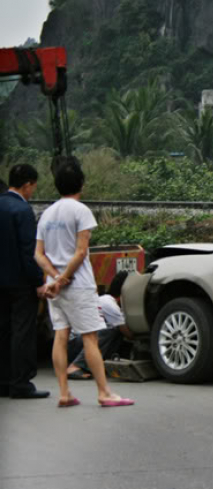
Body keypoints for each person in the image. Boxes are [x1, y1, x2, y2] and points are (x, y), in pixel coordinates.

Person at [35, 163, 134, 407]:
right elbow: (80, 253)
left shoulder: (46, 214)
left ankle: (64, 392)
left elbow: (38, 254)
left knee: (60, 335)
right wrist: (63, 279)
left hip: (54, 287)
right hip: (77, 284)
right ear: (81, 184)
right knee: (91, 338)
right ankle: (104, 393)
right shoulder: (81, 211)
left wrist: (54, 279)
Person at [0, 164, 50, 399]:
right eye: (33, 187)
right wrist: (38, 280)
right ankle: (21, 383)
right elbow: (28, 251)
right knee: (22, 331)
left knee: (3, 329)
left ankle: (3, 381)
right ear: (27, 184)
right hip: (19, 283)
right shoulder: (22, 210)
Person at [66, 270, 134, 380]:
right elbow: (128, 334)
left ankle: (99, 363)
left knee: (114, 331)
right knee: (111, 330)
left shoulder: (107, 301)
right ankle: (75, 366)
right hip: (73, 345)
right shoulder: (109, 304)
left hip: (77, 344)